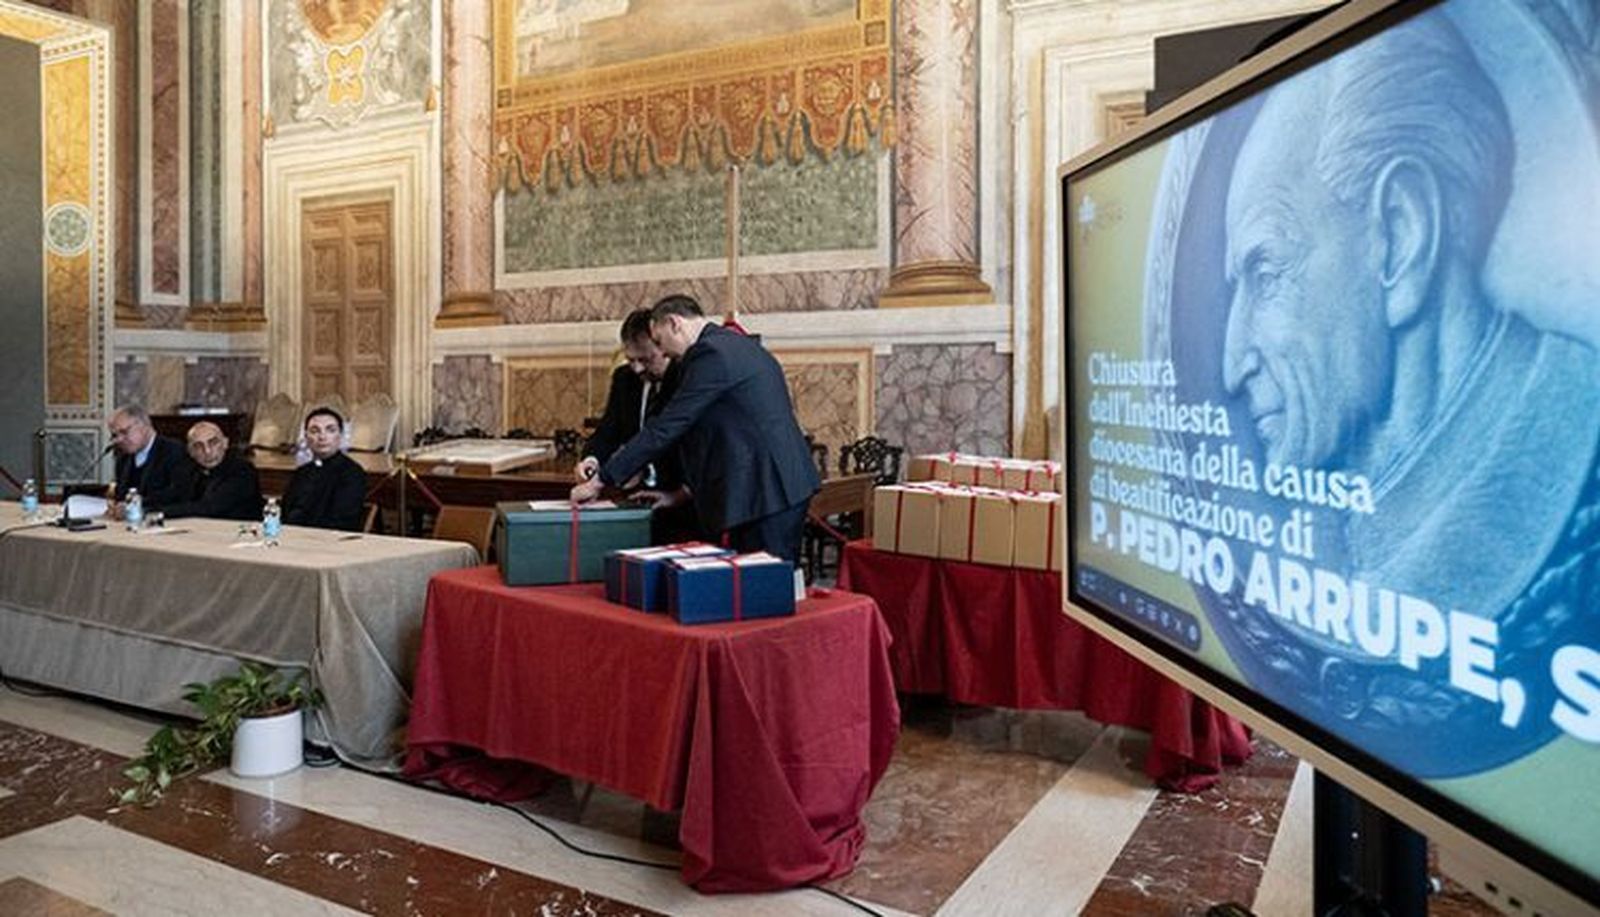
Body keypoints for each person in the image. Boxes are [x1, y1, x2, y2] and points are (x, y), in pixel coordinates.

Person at [1213, 11, 1600, 769]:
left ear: (1399, 234)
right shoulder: (1338, 494)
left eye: (1265, 271)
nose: (1231, 365)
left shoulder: (1570, 436)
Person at [571, 295, 820, 561]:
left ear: (674, 323)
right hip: (769, 484)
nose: (663, 351)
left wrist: (602, 479)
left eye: (658, 341)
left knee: (762, 586)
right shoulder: (729, 345)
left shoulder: (709, 354)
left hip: (766, 486)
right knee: (763, 582)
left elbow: (668, 426)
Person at [574, 307, 698, 541]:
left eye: (645, 359)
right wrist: (591, 460)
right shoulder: (624, 378)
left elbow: (675, 438)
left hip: (681, 501)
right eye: (631, 359)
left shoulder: (686, 378)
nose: (637, 368)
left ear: (664, 348)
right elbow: (607, 432)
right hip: (633, 499)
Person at [281, 407, 368, 531]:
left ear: (341, 435)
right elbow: (286, 512)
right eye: (315, 431)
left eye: (330, 430)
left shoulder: (352, 473)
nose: (322, 437)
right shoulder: (301, 472)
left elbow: (341, 521)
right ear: (306, 436)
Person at [162, 421, 264, 521]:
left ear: (225, 443)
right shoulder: (189, 470)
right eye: (198, 446)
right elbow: (171, 495)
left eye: (213, 443)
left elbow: (210, 508)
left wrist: (160, 512)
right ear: (190, 452)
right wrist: (148, 507)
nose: (207, 451)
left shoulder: (242, 470)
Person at [107, 405, 188, 513]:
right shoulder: (123, 458)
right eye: (115, 435)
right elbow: (121, 495)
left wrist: (138, 505)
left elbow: (177, 494)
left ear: (145, 426)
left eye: (124, 432)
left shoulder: (173, 451)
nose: (119, 440)